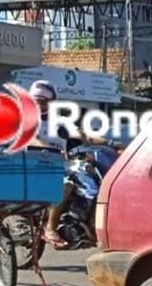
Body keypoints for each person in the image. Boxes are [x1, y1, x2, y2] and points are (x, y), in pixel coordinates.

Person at [26, 80, 119, 248]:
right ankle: (50, 228)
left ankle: (85, 223)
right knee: (65, 184)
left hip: (60, 165)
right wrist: (47, 149)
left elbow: (85, 136)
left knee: (94, 179)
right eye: (36, 100)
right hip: (35, 167)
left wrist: (113, 144)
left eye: (43, 101)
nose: (39, 105)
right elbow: (32, 139)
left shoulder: (60, 122)